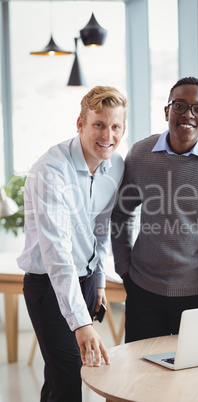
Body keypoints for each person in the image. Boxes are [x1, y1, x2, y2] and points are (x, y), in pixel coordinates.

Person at [111, 76, 198, 343]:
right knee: (141, 375)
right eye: (180, 106)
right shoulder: (140, 155)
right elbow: (121, 213)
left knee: (196, 379)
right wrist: (123, 266)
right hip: (143, 289)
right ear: (167, 111)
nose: (189, 114)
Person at [17, 85, 128, 402]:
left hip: (89, 279)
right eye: (99, 124)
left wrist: (101, 280)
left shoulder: (115, 166)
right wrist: (81, 324)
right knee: (68, 381)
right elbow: (57, 255)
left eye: (116, 126)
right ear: (80, 123)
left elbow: (100, 226)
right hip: (48, 285)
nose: (108, 135)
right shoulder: (50, 171)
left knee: (58, 377)